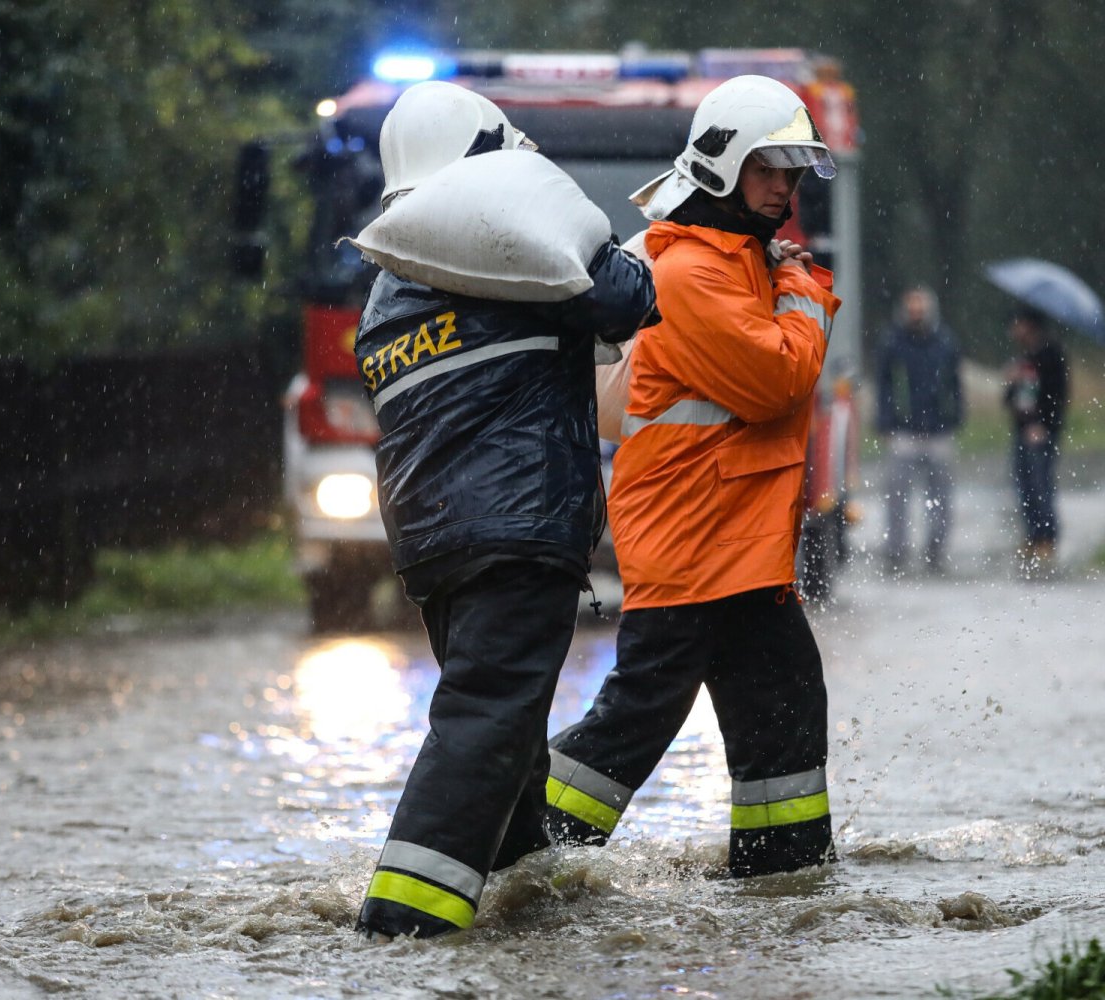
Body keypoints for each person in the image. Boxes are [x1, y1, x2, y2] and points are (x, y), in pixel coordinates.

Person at [351, 82, 658, 940]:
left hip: (437, 542)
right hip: (517, 527)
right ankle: (402, 929)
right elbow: (625, 296)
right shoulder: (500, 229)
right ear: (488, 153)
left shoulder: (392, 288)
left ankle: (528, 901)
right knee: (485, 720)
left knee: (510, 730)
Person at [544, 75, 842, 878]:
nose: (786, 186)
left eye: (794, 170)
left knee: (783, 704)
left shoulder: (737, 258)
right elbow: (779, 378)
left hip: (733, 547)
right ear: (721, 168)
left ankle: (787, 874)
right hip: (692, 544)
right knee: (635, 719)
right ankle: (517, 849)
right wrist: (805, 290)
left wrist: (779, 278)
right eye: (770, 168)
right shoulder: (690, 276)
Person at [874, 286, 963, 575]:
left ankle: (936, 551)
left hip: (939, 430)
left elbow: (955, 384)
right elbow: (883, 385)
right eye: (912, 310)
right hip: (903, 432)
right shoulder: (892, 343)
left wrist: (955, 418)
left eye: (920, 310)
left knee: (941, 497)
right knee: (896, 497)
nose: (916, 315)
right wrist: (886, 422)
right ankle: (896, 552)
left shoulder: (946, 343)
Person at [1003, 306, 1068, 574]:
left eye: (1017, 324)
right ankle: (1031, 534)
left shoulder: (1052, 354)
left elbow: (1059, 396)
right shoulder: (1023, 357)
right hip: (1021, 429)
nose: (1013, 329)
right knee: (1024, 484)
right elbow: (1010, 399)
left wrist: (1045, 425)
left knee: (1042, 484)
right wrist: (1012, 380)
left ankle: (1047, 537)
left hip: (1041, 432)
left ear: (1029, 326)